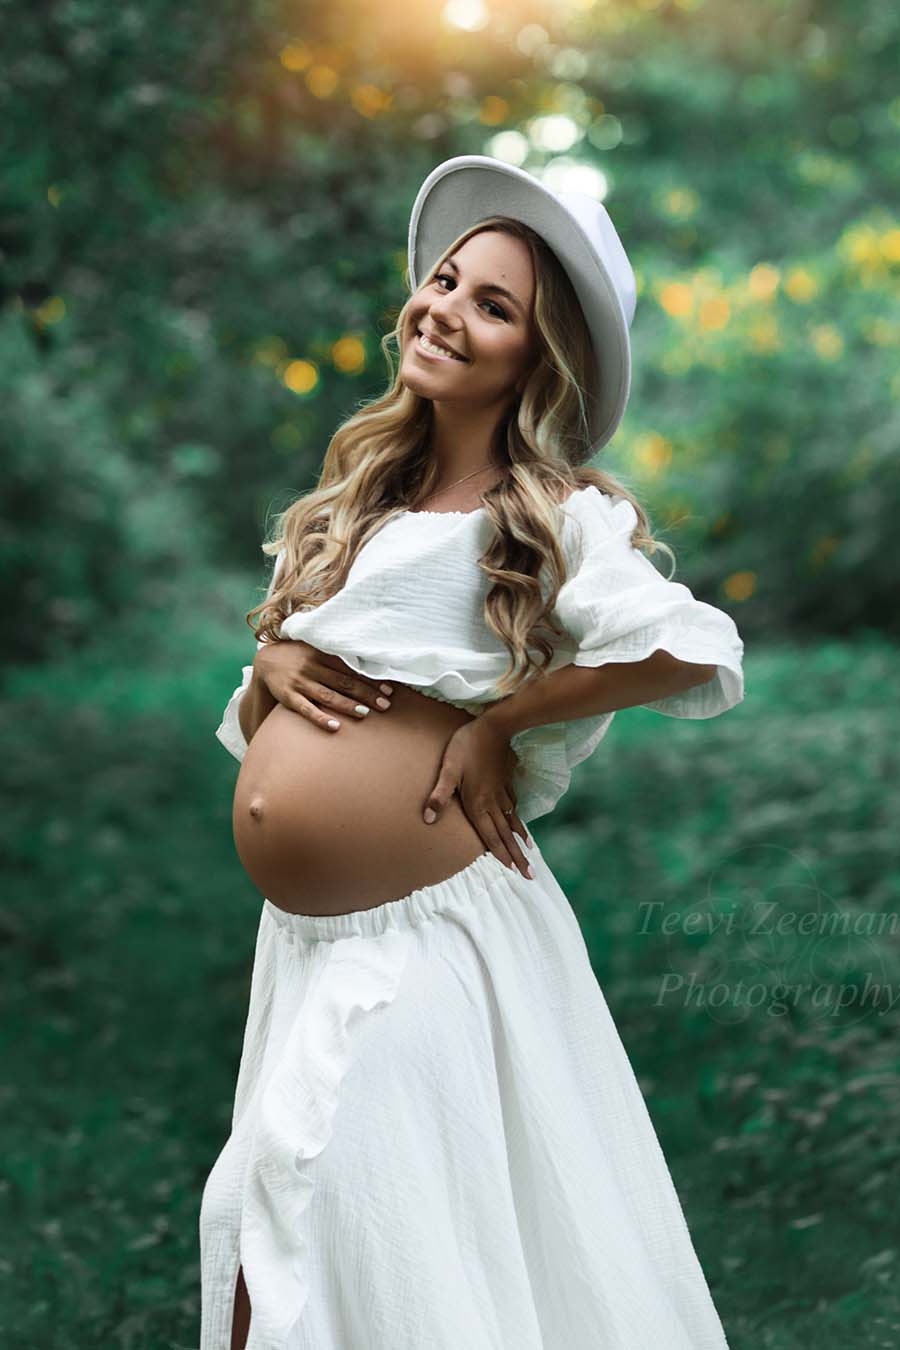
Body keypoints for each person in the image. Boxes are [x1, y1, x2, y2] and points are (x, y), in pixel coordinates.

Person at [198, 155, 744, 1350]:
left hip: (431, 933)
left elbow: (691, 651)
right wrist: (276, 666)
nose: (447, 308)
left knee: (336, 1198)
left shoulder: (546, 513)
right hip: (305, 943)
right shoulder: (367, 499)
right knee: (260, 1218)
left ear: (532, 360)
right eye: (447, 281)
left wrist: (509, 718)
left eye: (493, 305)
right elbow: (312, 694)